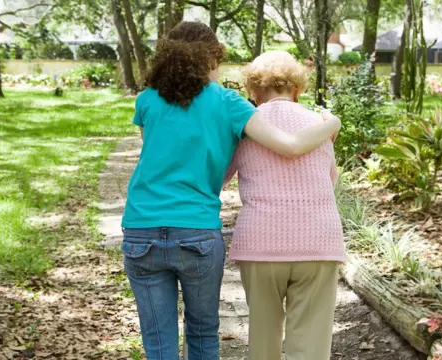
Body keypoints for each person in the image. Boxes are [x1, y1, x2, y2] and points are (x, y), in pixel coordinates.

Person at [120, 23, 341, 360]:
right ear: (211, 60)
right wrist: (332, 125)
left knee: (157, 339)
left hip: (140, 229)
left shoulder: (147, 100)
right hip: (195, 230)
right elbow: (293, 146)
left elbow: (161, 158)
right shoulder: (227, 103)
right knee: (202, 331)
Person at [224, 50, 345, 360]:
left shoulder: (245, 127)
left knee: (263, 339)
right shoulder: (320, 125)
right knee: (311, 344)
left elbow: (219, 178)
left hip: (260, 243)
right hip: (318, 242)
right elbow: (330, 180)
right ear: (297, 88)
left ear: (253, 89)